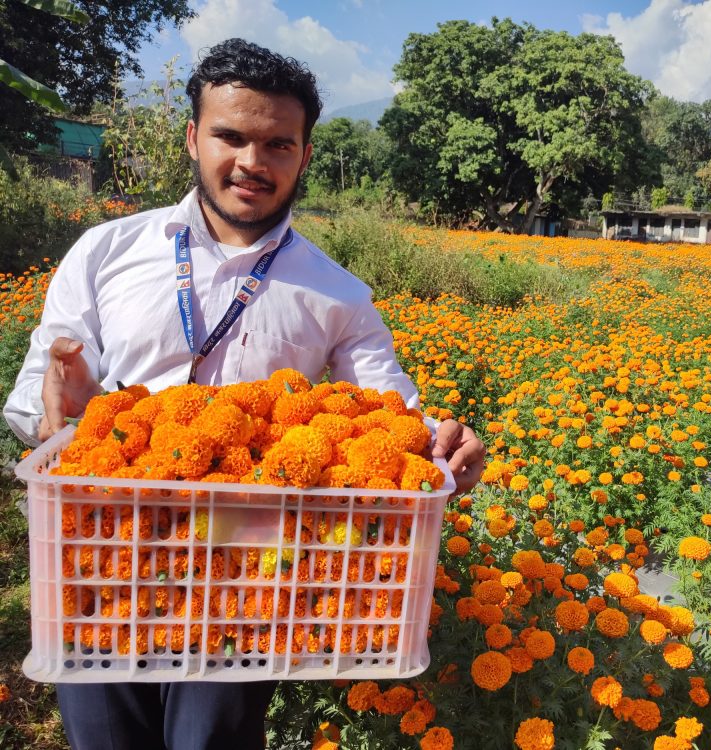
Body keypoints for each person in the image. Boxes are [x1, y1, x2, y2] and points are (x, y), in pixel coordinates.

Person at [3, 38, 485, 750]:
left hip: (243, 573)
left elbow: (392, 416)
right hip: (100, 550)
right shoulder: (105, 253)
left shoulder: (338, 295)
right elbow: (37, 402)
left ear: (306, 155)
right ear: (194, 137)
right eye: (231, 136)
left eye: (278, 144)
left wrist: (442, 444)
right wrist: (63, 409)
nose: (253, 163)